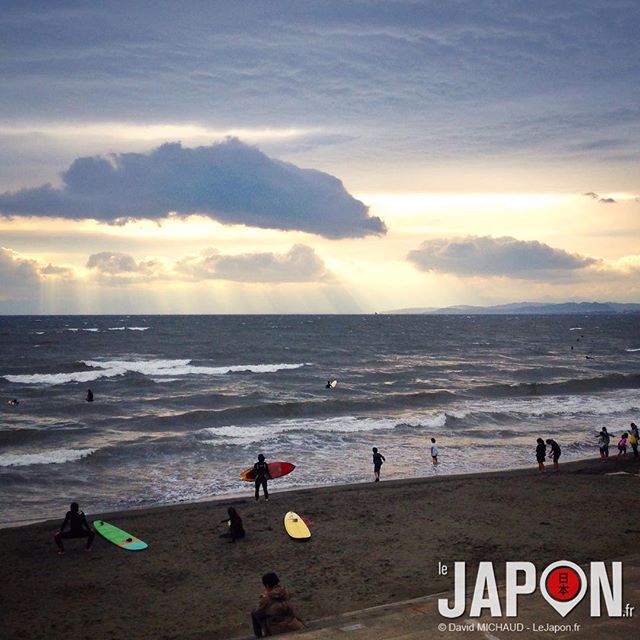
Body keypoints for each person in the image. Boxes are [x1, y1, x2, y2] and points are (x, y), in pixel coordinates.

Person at [251, 572, 305, 637]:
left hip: (277, 630)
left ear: (267, 585)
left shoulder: (267, 598)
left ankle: (260, 637)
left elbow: (258, 613)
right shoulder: (286, 593)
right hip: (295, 625)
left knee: (254, 612)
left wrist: (263, 599)